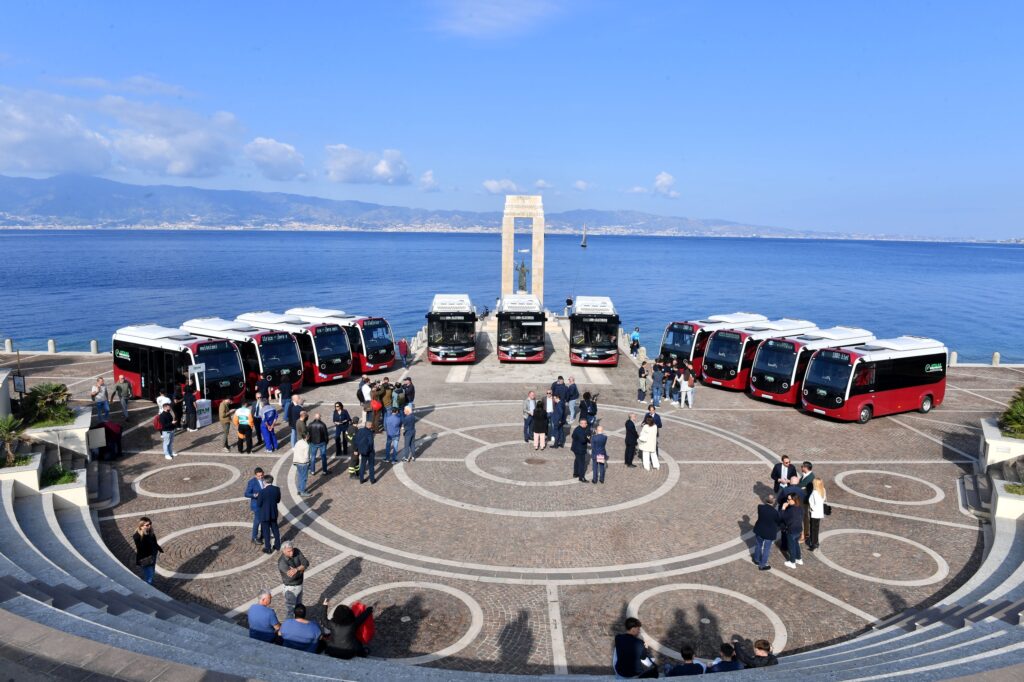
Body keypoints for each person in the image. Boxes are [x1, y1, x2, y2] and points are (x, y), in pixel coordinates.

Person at [278, 541, 309, 620]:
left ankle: (298, 624)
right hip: (291, 589)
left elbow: (306, 563)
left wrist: (296, 569)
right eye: (289, 551)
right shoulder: (282, 562)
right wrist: (302, 570)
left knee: (299, 608)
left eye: (292, 550)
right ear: (283, 551)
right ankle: (289, 627)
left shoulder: (297, 551)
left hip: (300, 585)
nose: (292, 553)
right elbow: (291, 577)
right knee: (291, 611)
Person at [753, 494, 781, 571]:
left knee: (758, 545)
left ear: (766, 500)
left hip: (759, 530)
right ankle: (762, 565)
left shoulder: (760, 507)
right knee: (766, 549)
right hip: (769, 533)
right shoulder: (775, 512)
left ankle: (756, 560)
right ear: (774, 501)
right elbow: (779, 522)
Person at [132, 516, 163, 585]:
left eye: (150, 524)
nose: (150, 526)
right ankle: (148, 586)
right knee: (149, 575)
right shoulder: (137, 536)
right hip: (146, 558)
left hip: (153, 554)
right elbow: (141, 549)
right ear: (141, 526)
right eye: (147, 525)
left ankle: (149, 583)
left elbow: (154, 542)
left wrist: (158, 548)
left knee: (152, 571)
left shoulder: (150, 532)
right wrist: (145, 535)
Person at [257, 474, 281, 554]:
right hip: (274, 513)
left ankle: (268, 548)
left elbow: (259, 504)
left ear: (264, 481)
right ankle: (277, 545)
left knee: (266, 531)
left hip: (265, 514)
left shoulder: (262, 492)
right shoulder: (277, 489)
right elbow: (278, 500)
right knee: (275, 529)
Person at [244, 467, 266, 546]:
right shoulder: (252, 482)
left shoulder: (265, 479)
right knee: (257, 521)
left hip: (265, 504)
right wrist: (254, 495)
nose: (260, 477)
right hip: (256, 505)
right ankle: (254, 538)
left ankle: (263, 535)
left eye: (261, 475)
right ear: (255, 475)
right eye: (259, 476)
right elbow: (246, 493)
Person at [781, 493, 804, 568]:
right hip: (798, 529)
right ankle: (799, 558)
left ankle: (792, 562)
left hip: (791, 530)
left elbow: (782, 517)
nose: (787, 500)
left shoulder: (790, 510)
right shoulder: (800, 507)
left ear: (794, 500)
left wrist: (783, 508)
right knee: (796, 544)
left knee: (791, 546)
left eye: (789, 499)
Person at [807, 478, 827, 551]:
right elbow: (823, 499)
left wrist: (812, 508)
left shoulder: (815, 492)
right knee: (816, 528)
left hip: (814, 512)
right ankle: (816, 542)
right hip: (819, 512)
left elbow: (811, 503)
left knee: (813, 528)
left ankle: (813, 543)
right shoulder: (823, 490)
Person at [355, 419, 377, 484]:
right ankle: (372, 480)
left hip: (362, 451)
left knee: (362, 465)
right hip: (369, 452)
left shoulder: (360, 430)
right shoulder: (370, 433)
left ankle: (361, 479)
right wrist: (371, 451)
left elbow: (356, 440)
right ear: (369, 425)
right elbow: (370, 443)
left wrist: (356, 449)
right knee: (371, 465)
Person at [800, 461, 816, 542]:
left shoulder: (810, 477)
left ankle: (805, 534)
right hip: (802, 499)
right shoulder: (806, 475)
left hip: (805, 501)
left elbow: (801, 486)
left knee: (804, 517)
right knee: (804, 517)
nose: (801, 468)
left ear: (805, 468)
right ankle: (805, 533)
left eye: (802, 466)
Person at [571, 418, 590, 483]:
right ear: (581, 423)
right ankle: (581, 477)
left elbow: (573, 436)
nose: (586, 424)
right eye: (585, 423)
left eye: (586, 423)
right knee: (582, 463)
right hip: (579, 449)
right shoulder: (579, 430)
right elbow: (583, 440)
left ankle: (575, 473)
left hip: (576, 448)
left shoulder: (578, 428)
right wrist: (587, 438)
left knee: (577, 460)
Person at [292, 433, 311, 497]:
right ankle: (302, 491)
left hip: (297, 462)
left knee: (300, 476)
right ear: (307, 437)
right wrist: (308, 462)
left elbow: (294, 450)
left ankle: (299, 490)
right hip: (303, 463)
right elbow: (306, 457)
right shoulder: (306, 445)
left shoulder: (298, 442)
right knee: (304, 478)